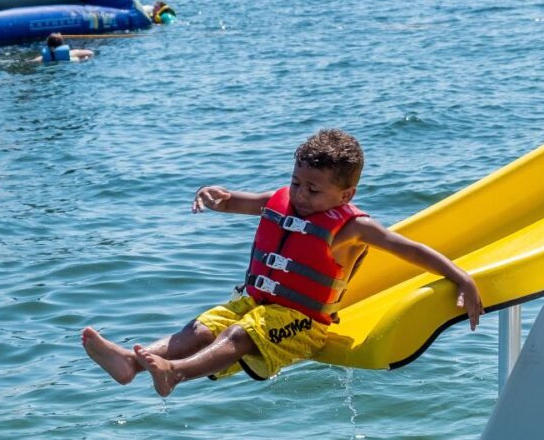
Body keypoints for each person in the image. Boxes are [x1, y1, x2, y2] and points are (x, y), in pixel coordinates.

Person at [81, 129, 483, 397]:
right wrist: (218, 196)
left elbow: (408, 249)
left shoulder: (354, 228)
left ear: (346, 195)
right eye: (296, 183)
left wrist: (460, 277)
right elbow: (244, 202)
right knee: (202, 327)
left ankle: (175, 373)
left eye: (313, 189)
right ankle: (131, 364)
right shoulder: (283, 201)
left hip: (304, 324)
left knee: (240, 334)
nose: (301, 195)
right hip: (257, 303)